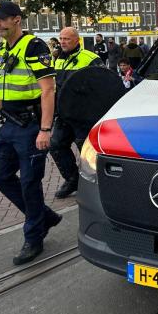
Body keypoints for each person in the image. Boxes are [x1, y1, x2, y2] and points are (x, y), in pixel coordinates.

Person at [0, 0, 62, 265]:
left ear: (17, 19)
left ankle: (34, 237)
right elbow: (1, 90)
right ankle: (44, 217)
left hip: (29, 127)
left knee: (29, 183)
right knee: (1, 176)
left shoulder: (34, 47)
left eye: (1, 19)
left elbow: (48, 90)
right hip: (8, 125)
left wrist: (45, 129)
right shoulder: (4, 47)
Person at [50, 27, 104, 199]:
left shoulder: (90, 58)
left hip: (83, 116)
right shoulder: (58, 60)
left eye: (67, 39)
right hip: (64, 115)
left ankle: (97, 184)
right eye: (61, 38)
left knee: (86, 152)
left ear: (77, 40)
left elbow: (104, 85)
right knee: (56, 146)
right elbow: (55, 87)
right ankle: (73, 180)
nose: (63, 42)